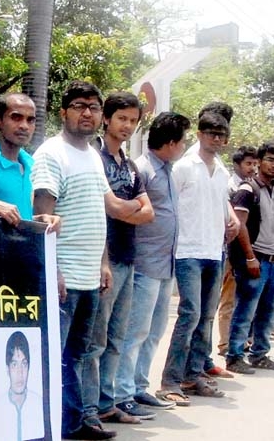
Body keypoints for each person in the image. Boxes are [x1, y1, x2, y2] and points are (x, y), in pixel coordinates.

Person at [31, 81, 144, 440]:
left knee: (78, 355)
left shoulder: (93, 156)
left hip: (90, 277)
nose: (87, 113)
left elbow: (99, 213)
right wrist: (56, 271)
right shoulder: (51, 153)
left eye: (94, 107)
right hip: (64, 277)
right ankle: (51, 428)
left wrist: (104, 264)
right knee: (56, 355)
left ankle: (77, 422)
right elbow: (42, 217)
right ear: (63, 112)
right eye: (79, 106)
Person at [83, 92, 155, 424]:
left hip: (129, 257)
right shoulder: (93, 158)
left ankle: (107, 402)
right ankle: (88, 409)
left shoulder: (128, 164)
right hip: (104, 259)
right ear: (107, 119)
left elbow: (148, 212)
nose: (127, 126)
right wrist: (128, 208)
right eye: (121, 118)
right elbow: (107, 207)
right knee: (95, 342)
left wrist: (122, 209)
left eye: (133, 120)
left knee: (116, 338)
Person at [155, 111, 235, 402]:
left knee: (206, 316)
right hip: (187, 250)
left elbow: (221, 202)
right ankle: (170, 381)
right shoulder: (184, 167)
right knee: (189, 314)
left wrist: (231, 218)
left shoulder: (222, 171)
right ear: (199, 134)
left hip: (215, 251)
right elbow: (166, 204)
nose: (215, 138)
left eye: (221, 135)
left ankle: (194, 376)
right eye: (210, 133)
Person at [114, 112, 190, 411]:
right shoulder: (142, 170)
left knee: (155, 330)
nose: (184, 147)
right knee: (135, 332)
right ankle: (122, 393)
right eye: (182, 141)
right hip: (144, 264)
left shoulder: (168, 170)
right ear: (170, 143)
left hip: (164, 263)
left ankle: (139, 385)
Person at [226, 142, 274, 374]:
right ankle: (234, 355)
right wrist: (250, 258)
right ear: (260, 160)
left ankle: (260, 353)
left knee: (268, 311)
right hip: (255, 258)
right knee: (246, 309)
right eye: (271, 160)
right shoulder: (248, 189)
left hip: (273, 260)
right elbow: (239, 225)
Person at [0, 93, 60, 228]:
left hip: (21, 247)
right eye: (16, 118)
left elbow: (18, 217)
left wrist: (40, 219)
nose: (24, 126)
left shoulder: (32, 164)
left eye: (30, 120)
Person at [216, 145, 258, 356]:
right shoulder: (229, 186)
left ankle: (239, 341)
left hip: (243, 251)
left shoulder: (252, 186)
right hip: (227, 249)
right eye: (248, 163)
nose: (252, 168)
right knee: (228, 298)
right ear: (237, 164)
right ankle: (225, 343)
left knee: (242, 298)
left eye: (254, 164)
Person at [0, 331, 44, 441]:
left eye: (24, 364)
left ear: (29, 367)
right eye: (14, 365)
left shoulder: (40, 404)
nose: (20, 373)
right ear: (7, 369)